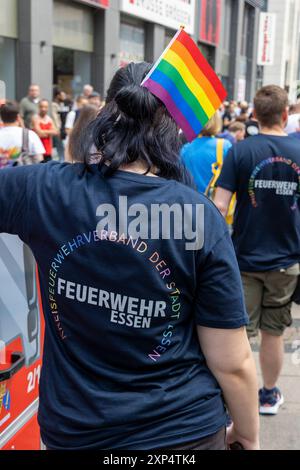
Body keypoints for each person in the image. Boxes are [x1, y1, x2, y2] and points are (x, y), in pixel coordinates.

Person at [0, 62, 259, 451]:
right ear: (171, 127)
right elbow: (232, 361)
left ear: (106, 111)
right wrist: (248, 433)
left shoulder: (43, 189)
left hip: (77, 431)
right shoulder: (198, 215)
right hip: (182, 433)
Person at [214, 85, 300, 416]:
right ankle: (267, 395)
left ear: (254, 115)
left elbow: (219, 206)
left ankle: (240, 399)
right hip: (286, 260)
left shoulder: (241, 150)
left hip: (245, 257)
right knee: (274, 333)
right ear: (284, 114)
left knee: (241, 334)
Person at [181, 113, 232, 193]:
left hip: (190, 198)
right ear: (217, 123)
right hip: (214, 200)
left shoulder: (185, 148)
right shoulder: (225, 146)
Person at [0, 101, 45, 168]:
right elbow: (39, 160)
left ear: (1, 117)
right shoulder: (29, 135)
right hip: (23, 177)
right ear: (18, 117)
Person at [51, 87, 65, 162]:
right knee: (60, 147)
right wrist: (57, 129)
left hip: (61, 129)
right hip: (57, 130)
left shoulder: (61, 104)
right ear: (58, 95)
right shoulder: (54, 105)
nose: (64, 96)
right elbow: (55, 118)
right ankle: (60, 162)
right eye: (62, 95)